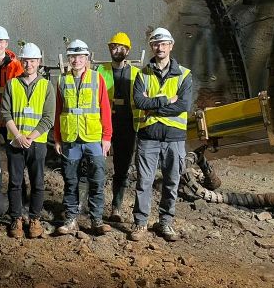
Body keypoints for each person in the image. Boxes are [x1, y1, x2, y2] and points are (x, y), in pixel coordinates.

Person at [129, 27, 193, 243]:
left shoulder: (184, 74)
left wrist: (153, 106)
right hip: (148, 136)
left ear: (171, 46)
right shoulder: (143, 74)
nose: (160, 47)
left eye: (164, 43)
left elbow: (183, 106)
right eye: (156, 44)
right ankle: (140, 223)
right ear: (151, 47)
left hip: (174, 138)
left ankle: (165, 222)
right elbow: (140, 102)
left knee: (171, 181)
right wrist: (166, 100)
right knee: (144, 182)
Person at [54, 40, 113, 236]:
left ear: (87, 58)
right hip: (70, 138)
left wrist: (107, 137)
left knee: (96, 180)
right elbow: (58, 111)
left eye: (80, 57)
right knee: (71, 181)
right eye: (73, 56)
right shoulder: (62, 80)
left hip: (93, 138)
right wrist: (57, 138)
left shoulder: (97, 79)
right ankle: (71, 219)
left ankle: (96, 220)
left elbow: (105, 108)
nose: (76, 60)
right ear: (69, 59)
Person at [0, 42, 54, 239]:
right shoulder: (12, 84)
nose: (29, 64)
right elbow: (5, 112)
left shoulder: (46, 86)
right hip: (15, 142)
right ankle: (16, 218)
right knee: (15, 182)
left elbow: (48, 118)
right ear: (21, 61)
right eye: (26, 60)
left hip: (37, 143)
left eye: (32, 60)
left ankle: (35, 218)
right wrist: (18, 136)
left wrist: (30, 137)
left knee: (38, 183)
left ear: (39, 62)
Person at [97, 32, 142, 222]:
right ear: (109, 49)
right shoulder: (100, 71)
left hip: (127, 125)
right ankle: (94, 208)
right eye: (113, 46)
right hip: (103, 125)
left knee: (122, 168)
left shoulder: (135, 73)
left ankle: (116, 207)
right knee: (96, 166)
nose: (117, 50)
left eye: (121, 47)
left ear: (128, 50)